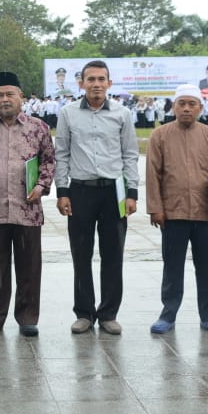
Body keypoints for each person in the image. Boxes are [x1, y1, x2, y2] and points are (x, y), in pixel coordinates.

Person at [0, 71, 55, 337]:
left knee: (29, 266)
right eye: (0, 95)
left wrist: (42, 186)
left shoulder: (38, 128)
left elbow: (49, 160)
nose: (5, 99)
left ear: (21, 97)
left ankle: (28, 317)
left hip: (27, 211)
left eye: (10, 94)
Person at [54, 60, 139, 335]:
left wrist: (132, 193)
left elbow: (130, 155)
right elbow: (62, 154)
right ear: (81, 83)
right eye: (91, 79)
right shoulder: (67, 113)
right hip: (80, 191)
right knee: (81, 254)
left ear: (109, 83)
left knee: (113, 254)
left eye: (102, 79)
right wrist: (62, 191)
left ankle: (109, 313)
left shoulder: (122, 114)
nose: (96, 84)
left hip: (114, 192)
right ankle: (84, 313)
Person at [145, 84, 208, 335]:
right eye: (181, 103)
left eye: (191, 104)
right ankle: (168, 314)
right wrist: (155, 208)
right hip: (173, 213)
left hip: (205, 212)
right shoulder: (160, 135)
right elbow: (153, 174)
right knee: (172, 266)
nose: (186, 109)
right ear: (173, 107)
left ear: (200, 108)